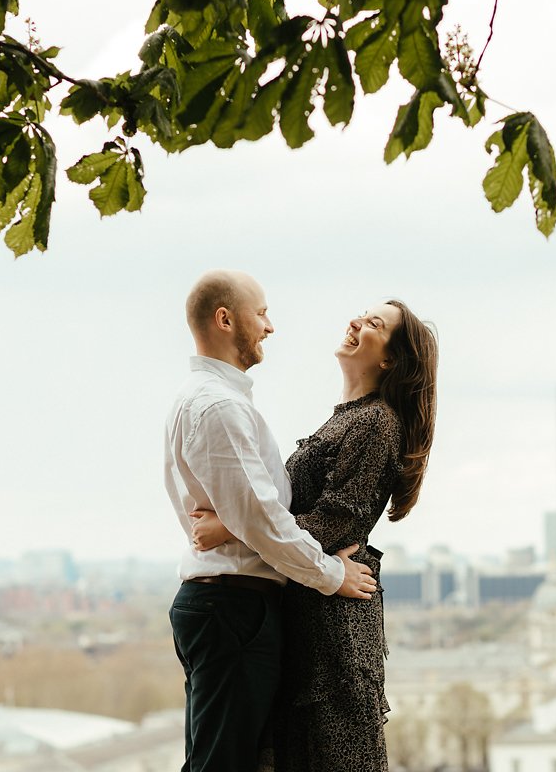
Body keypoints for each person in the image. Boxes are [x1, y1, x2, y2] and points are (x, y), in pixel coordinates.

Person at [192, 298, 438, 772]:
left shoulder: (376, 423)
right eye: (362, 314)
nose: (356, 321)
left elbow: (333, 523)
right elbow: (285, 509)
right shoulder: (347, 417)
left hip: (334, 631)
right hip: (311, 612)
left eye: (374, 324)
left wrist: (231, 527)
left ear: (390, 359)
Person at [163, 269, 379, 772]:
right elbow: (262, 519)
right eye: (261, 313)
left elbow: (247, 514)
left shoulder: (207, 399)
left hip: (225, 604)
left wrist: (233, 525)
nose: (270, 326)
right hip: (235, 607)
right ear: (225, 319)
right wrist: (332, 575)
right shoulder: (218, 406)